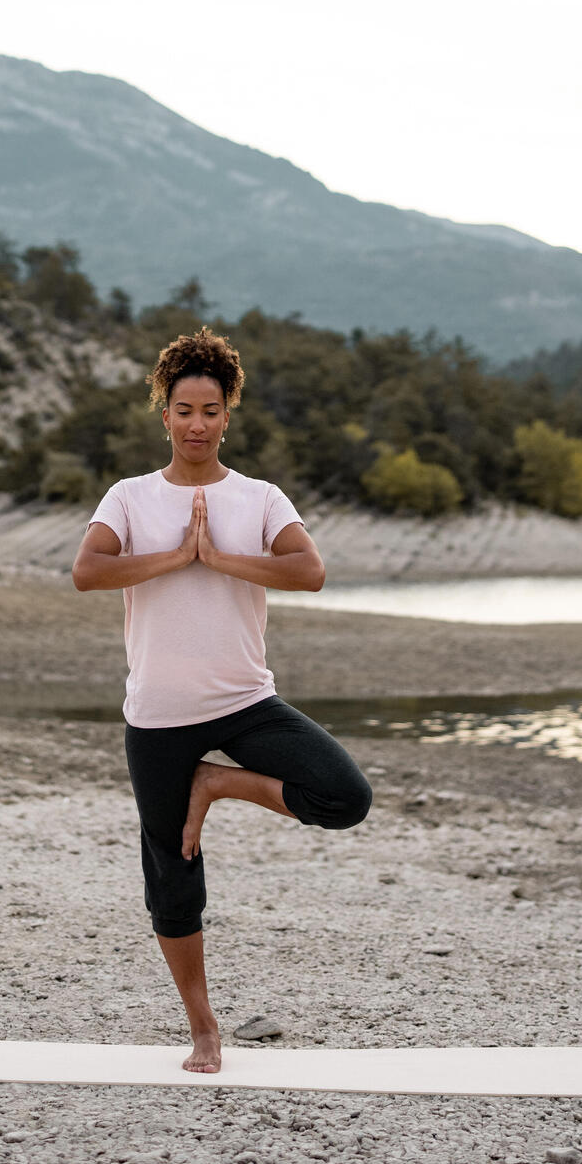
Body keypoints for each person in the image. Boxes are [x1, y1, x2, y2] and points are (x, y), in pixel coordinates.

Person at [71, 327, 372, 1073]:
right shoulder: (131, 497)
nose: (197, 423)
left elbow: (310, 571)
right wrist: (176, 556)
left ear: (228, 414)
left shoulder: (259, 497)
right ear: (164, 414)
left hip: (244, 701)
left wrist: (220, 557)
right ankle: (204, 1028)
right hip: (161, 715)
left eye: (210, 409)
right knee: (174, 877)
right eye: (183, 410)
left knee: (344, 795)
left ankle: (219, 782)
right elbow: (87, 571)